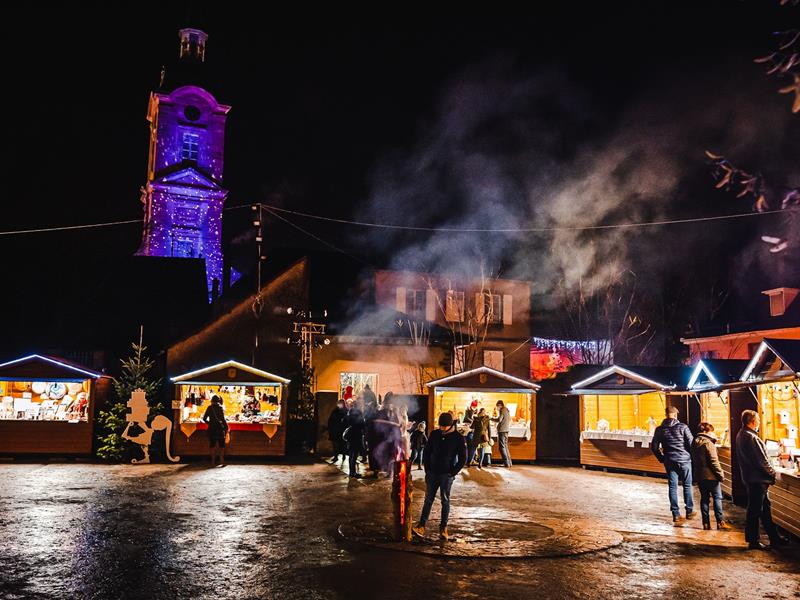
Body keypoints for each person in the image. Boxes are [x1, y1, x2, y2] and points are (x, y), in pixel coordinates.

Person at [736, 409, 789, 550]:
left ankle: (774, 537)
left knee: (765, 509)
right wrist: (773, 473)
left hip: (752, 478)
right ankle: (753, 541)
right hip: (757, 480)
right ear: (752, 422)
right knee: (755, 510)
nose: (759, 422)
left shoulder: (741, 434)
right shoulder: (751, 437)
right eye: (758, 420)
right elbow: (761, 461)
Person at [412, 412, 467, 541]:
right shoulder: (435, 434)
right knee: (428, 500)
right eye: (440, 426)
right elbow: (427, 451)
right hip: (432, 473)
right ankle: (421, 526)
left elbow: (463, 458)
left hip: (446, 475)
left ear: (450, 425)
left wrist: (452, 473)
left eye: (444, 427)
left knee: (445, 500)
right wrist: (427, 469)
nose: (442, 429)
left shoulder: (458, 438)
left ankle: (443, 528)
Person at [651, 405, 695, 525]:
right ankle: (689, 511)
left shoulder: (659, 429)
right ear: (675, 415)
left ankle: (676, 514)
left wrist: (662, 459)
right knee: (687, 485)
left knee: (672, 487)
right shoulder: (683, 427)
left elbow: (654, 447)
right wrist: (692, 457)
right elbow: (691, 444)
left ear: (666, 415)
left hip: (669, 461)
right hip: (685, 460)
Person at [691, 422, 732, 531]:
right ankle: (720, 522)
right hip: (711, 476)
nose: (713, 433)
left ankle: (706, 523)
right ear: (706, 431)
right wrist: (720, 474)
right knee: (717, 498)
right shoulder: (708, 443)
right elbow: (714, 461)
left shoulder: (694, 442)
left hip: (700, 475)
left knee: (704, 499)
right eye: (711, 431)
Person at [203, 395, 228, 467]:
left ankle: (213, 462)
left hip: (212, 429)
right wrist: (226, 427)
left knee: (212, 445)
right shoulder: (220, 408)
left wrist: (210, 423)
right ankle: (222, 461)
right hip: (220, 429)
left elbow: (204, 418)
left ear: (212, 400)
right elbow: (223, 419)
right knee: (221, 446)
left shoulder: (209, 408)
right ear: (218, 401)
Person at [343, 407, 366, 478]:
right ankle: (353, 472)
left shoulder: (349, 416)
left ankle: (351, 472)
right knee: (354, 455)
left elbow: (345, 422)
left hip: (351, 438)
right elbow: (363, 425)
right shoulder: (359, 417)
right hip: (357, 437)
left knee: (351, 455)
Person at [491, 400, 512, 467]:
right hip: (506, 430)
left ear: (500, 405)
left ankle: (506, 463)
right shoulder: (507, 410)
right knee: (505, 446)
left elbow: (499, 420)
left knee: (502, 447)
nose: (497, 408)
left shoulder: (502, 410)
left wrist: (491, 419)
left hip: (502, 431)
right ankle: (509, 463)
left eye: (497, 406)